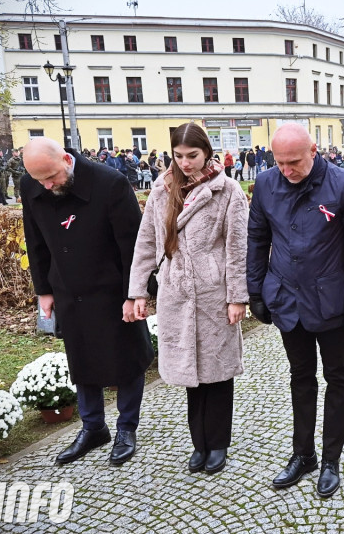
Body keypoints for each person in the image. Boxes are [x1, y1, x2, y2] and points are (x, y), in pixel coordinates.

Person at [246, 123, 344, 498]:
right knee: (300, 376)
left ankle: (331, 459)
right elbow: (257, 239)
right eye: (281, 162)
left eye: (295, 162)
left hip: (331, 300)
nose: (287, 170)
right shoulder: (267, 184)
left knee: (337, 376)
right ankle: (303, 453)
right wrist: (255, 291)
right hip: (287, 298)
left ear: (314, 150)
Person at [21, 137, 154, 467]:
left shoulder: (110, 183)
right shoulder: (32, 184)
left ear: (67, 159)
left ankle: (126, 428)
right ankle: (93, 427)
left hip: (112, 288)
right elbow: (34, 237)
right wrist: (44, 290)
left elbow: (133, 246)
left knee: (125, 358)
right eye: (40, 181)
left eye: (52, 177)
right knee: (80, 357)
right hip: (67, 288)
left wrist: (133, 293)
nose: (48, 186)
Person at [129, 123, 249, 475]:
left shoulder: (227, 191)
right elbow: (146, 243)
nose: (185, 162)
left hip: (214, 293)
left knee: (217, 372)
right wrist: (138, 290)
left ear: (208, 153)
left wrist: (236, 297)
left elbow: (236, 248)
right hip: (176, 292)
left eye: (192, 155)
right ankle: (199, 443)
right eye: (178, 156)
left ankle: (218, 443)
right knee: (189, 373)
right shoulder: (162, 190)